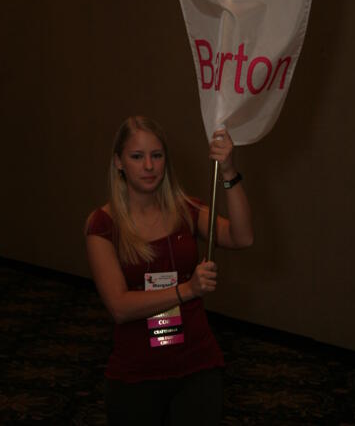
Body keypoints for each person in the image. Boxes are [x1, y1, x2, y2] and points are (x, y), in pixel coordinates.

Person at [85, 116, 253, 426]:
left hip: (197, 363)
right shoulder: (103, 225)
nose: (149, 166)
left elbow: (242, 237)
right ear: (119, 162)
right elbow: (119, 307)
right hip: (136, 372)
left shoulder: (185, 210)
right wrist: (187, 290)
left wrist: (229, 172)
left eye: (157, 155)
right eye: (137, 156)